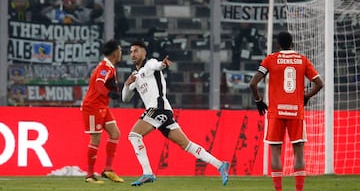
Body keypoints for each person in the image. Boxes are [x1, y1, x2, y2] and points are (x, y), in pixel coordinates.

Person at [122, 41, 230, 186]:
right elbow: (125, 98)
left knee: (134, 135)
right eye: (131, 52)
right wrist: (127, 84)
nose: (133, 54)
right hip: (163, 112)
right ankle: (220, 165)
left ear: (144, 53)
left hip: (158, 108)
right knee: (187, 145)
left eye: (136, 51)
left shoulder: (149, 64)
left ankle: (147, 172)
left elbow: (157, 65)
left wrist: (163, 64)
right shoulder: (135, 75)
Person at [249, 31, 324, 191]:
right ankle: (299, 189)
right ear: (292, 44)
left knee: (275, 152)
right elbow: (319, 83)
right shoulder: (302, 60)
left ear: (278, 44)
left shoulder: (270, 59)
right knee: (299, 153)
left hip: (276, 112)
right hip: (296, 111)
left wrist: (258, 101)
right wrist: (307, 96)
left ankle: (278, 190)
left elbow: (253, 83)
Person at [80, 40, 124, 184]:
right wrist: (110, 94)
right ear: (115, 53)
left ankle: (108, 170)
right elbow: (99, 85)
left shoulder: (110, 67)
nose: (121, 53)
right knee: (96, 140)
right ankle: (90, 175)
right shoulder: (105, 67)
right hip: (92, 106)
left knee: (115, 133)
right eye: (120, 50)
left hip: (102, 106)